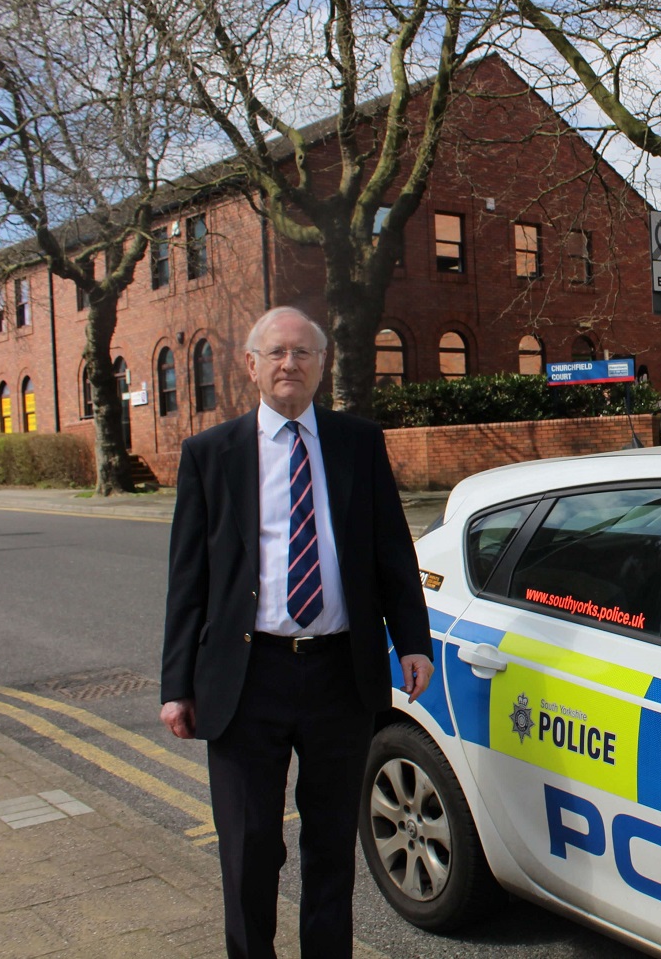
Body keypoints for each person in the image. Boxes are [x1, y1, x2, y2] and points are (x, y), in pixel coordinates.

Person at [160, 306, 432, 959]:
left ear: (322, 363)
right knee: (251, 850)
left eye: (303, 352)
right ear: (251, 365)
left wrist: (414, 640)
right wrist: (177, 685)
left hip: (341, 673)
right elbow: (187, 578)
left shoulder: (358, 443)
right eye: (276, 352)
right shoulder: (210, 455)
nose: (290, 363)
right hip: (246, 678)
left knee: (333, 847)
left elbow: (390, 552)